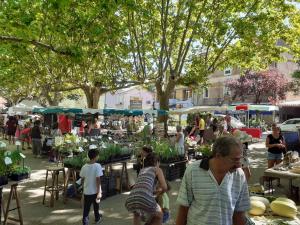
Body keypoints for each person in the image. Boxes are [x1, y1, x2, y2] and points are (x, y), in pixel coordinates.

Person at [175, 136, 250, 225]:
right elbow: (183, 208)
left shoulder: (239, 175)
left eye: (240, 159)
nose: (239, 165)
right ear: (218, 156)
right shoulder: (193, 171)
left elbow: (239, 214)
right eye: (235, 160)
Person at [125, 153, 168, 225]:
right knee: (159, 215)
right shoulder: (157, 169)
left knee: (136, 214)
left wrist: (154, 192)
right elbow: (165, 187)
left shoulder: (142, 170)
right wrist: (160, 192)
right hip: (144, 197)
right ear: (157, 162)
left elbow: (143, 186)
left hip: (131, 197)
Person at [80, 149, 103, 225]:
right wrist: (99, 192)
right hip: (95, 191)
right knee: (96, 206)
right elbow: (98, 180)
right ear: (95, 157)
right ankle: (97, 218)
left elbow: (82, 179)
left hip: (87, 192)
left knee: (86, 209)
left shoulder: (84, 167)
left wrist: (83, 190)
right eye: (98, 155)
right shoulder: (98, 166)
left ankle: (85, 222)